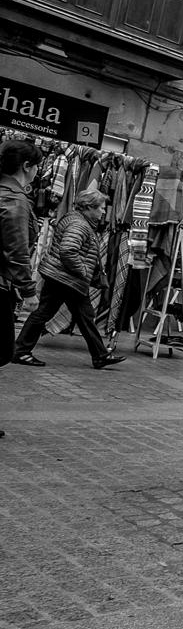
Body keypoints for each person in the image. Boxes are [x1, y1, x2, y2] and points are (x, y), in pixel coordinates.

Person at [12, 189, 124, 370]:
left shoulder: (77, 220)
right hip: (66, 278)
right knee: (63, 314)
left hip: (63, 276)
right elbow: (68, 251)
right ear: (89, 207)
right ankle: (21, 350)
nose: (104, 212)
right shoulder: (79, 225)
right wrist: (84, 270)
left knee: (69, 314)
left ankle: (100, 355)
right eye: (101, 208)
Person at [0, 140, 42, 439]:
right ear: (26, 166)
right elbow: (16, 249)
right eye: (36, 165)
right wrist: (28, 291)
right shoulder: (14, 199)